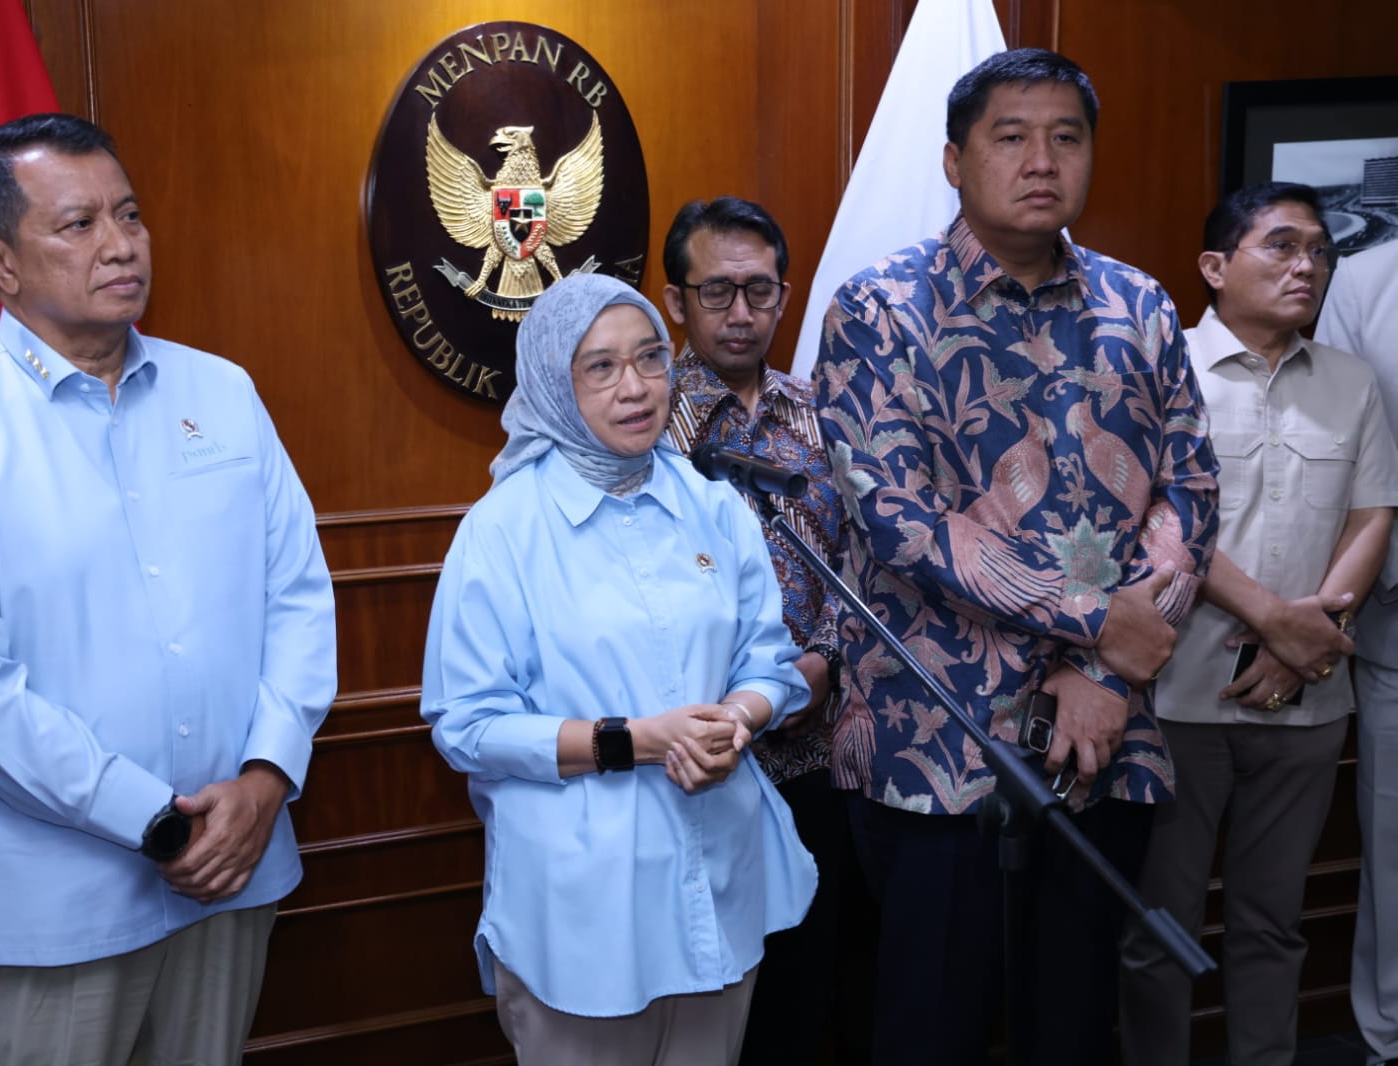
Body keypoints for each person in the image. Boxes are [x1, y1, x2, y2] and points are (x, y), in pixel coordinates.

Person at [0, 113, 338, 1063]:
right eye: (78, 225)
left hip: (231, 872)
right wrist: (152, 821)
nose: (121, 245)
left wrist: (265, 778)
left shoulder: (224, 394)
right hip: (52, 910)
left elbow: (298, 599)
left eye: (129, 214)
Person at [812, 48, 1219, 1066]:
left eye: (1065, 137)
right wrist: (1100, 623)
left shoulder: (1141, 304)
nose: (1042, 160)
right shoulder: (878, 308)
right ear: (954, 160)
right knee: (929, 1031)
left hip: (1105, 748)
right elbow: (898, 519)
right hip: (939, 750)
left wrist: (1108, 673)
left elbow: (1190, 491)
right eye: (1011, 137)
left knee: (1073, 1029)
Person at [420, 272, 817, 1066]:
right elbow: (467, 726)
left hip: (720, 881)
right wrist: (634, 741)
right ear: (551, 384)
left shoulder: (715, 505)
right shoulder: (502, 531)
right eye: (599, 367)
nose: (634, 388)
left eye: (649, 358)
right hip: (583, 914)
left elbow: (768, 660)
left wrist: (737, 718)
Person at [1117, 182, 1398, 1065]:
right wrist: (1279, 622)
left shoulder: (1350, 382)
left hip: (1308, 704)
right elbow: (1153, 522)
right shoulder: (1160, 369)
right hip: (1175, 700)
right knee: (1157, 930)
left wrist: (1303, 644)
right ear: (1214, 266)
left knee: (1273, 924)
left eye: (1317, 250)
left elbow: (1373, 516)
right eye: (1280, 246)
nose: (1305, 266)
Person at [660, 196, 856, 1064]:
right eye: (717, 292)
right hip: (690, 765)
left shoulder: (824, 415)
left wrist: (826, 661)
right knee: (698, 1003)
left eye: (759, 291)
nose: (740, 313)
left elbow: (866, 563)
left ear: (784, 295)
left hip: (813, 756)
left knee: (802, 1000)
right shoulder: (642, 423)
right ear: (676, 301)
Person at [1315, 234, 1398, 1066]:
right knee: (1393, 846)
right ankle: (1389, 1038)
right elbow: (1339, 450)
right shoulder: (1367, 279)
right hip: (1393, 615)